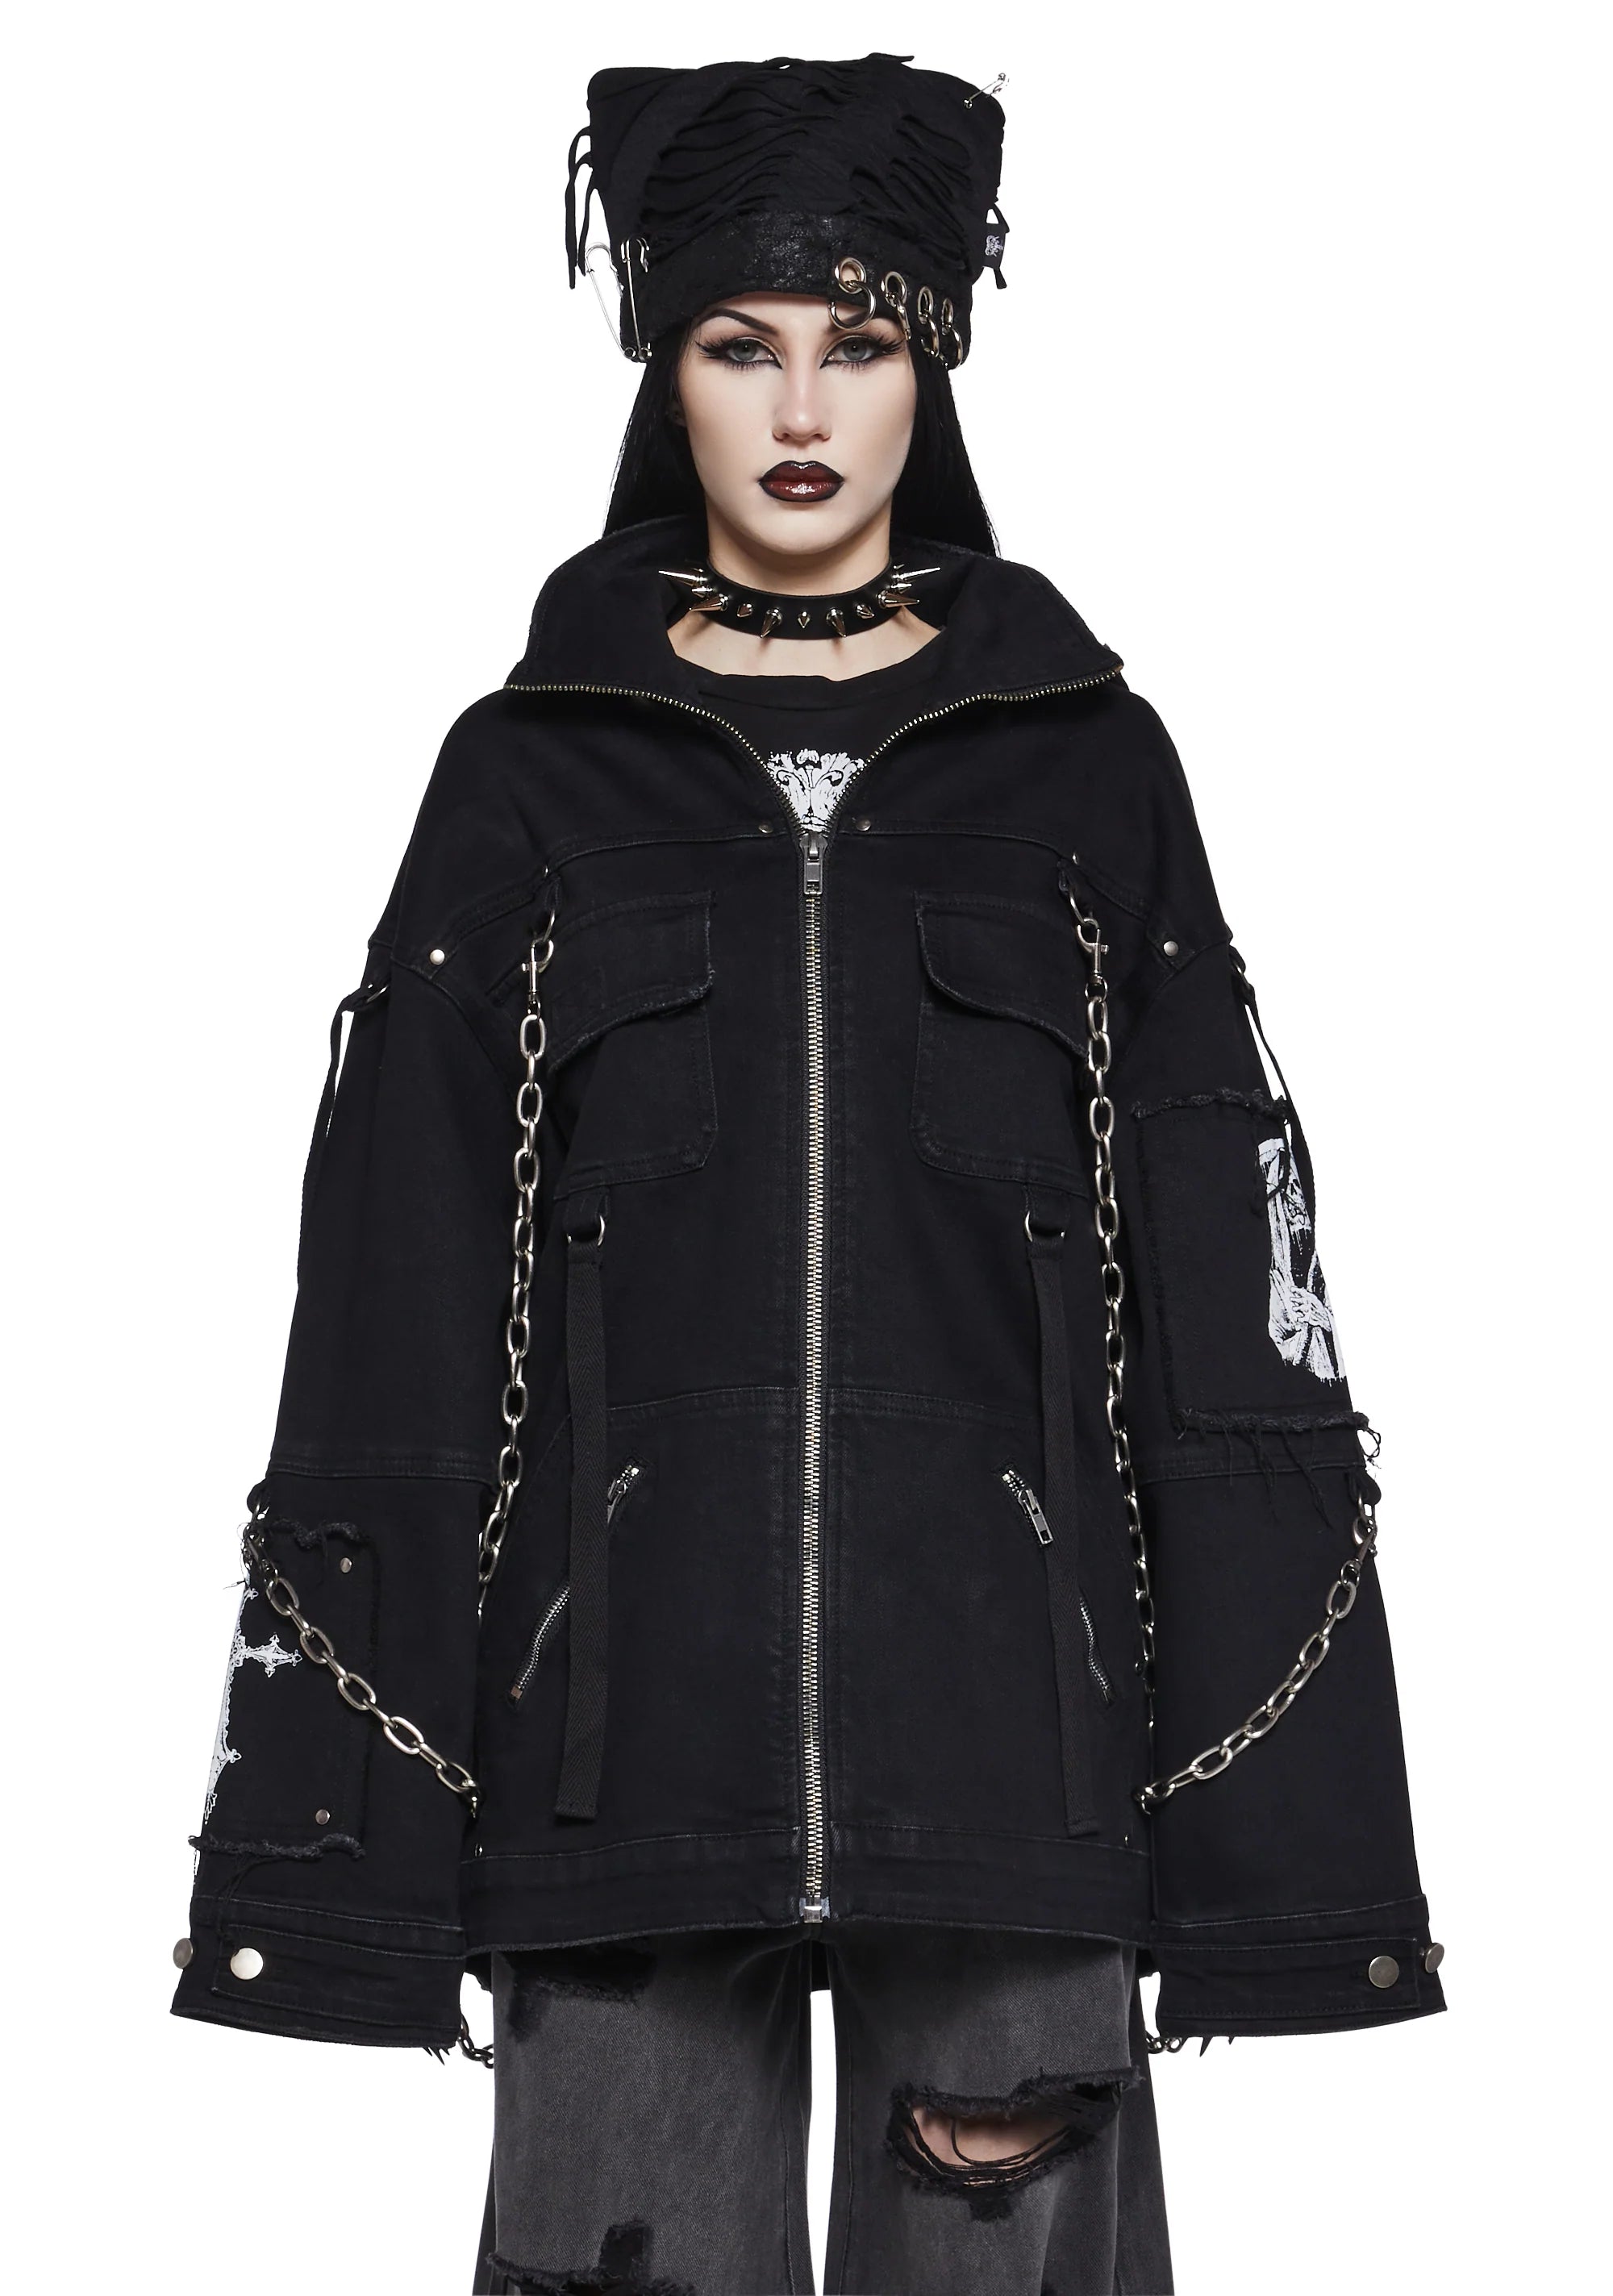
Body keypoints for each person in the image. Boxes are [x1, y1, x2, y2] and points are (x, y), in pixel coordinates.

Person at [169, 52, 1444, 2296]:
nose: (798, 407)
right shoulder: (526, 778)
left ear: (930, 367)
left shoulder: (1089, 772)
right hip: (614, 1771)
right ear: (660, 366)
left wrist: (1276, 1853)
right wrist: (340, 1865)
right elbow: (392, 1302)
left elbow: (1229, 1309)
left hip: (1016, 1765)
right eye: (737, 345)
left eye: (857, 344)